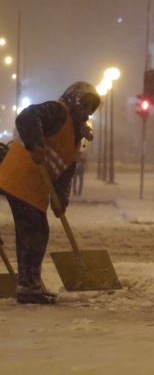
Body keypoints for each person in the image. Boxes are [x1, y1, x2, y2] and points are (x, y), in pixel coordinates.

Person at [0, 82, 101, 305]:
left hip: (33, 187)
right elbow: (27, 116)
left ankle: (28, 284)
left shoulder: (77, 134)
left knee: (28, 233)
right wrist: (35, 145)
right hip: (21, 176)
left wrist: (61, 199)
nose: (88, 111)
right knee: (37, 231)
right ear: (74, 100)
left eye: (92, 108)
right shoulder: (58, 111)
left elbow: (67, 169)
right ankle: (28, 287)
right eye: (85, 104)